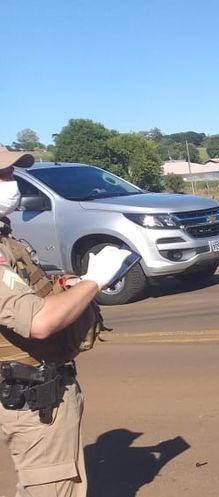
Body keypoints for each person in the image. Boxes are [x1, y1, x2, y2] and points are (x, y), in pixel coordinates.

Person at [0, 151, 134, 496]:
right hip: (29, 396)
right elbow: (39, 321)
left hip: (37, 390)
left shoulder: (6, 241)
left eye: (11, 174)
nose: (12, 184)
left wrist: (72, 285)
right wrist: (96, 281)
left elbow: (31, 294)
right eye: (2, 176)